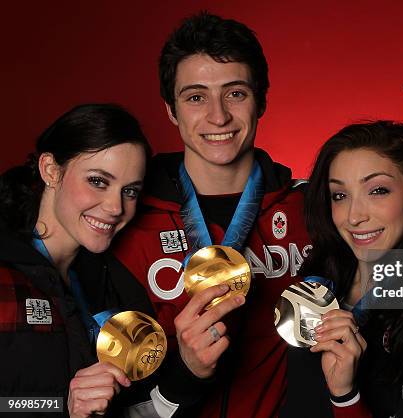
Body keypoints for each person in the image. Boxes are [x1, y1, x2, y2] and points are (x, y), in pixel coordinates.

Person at [111, 12, 312, 417]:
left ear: (262, 100)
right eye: (196, 97)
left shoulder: (312, 208)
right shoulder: (123, 217)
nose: (218, 117)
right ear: (171, 109)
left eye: (235, 93)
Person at [0, 103, 236, 418]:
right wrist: (59, 406)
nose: (115, 207)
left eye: (130, 191)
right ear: (50, 170)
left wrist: (189, 370)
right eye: (98, 181)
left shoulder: (107, 279)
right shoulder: (6, 275)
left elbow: (130, 412)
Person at [299, 121, 403, 418]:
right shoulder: (311, 286)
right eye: (340, 196)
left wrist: (345, 396)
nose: (355, 216)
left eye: (378, 191)